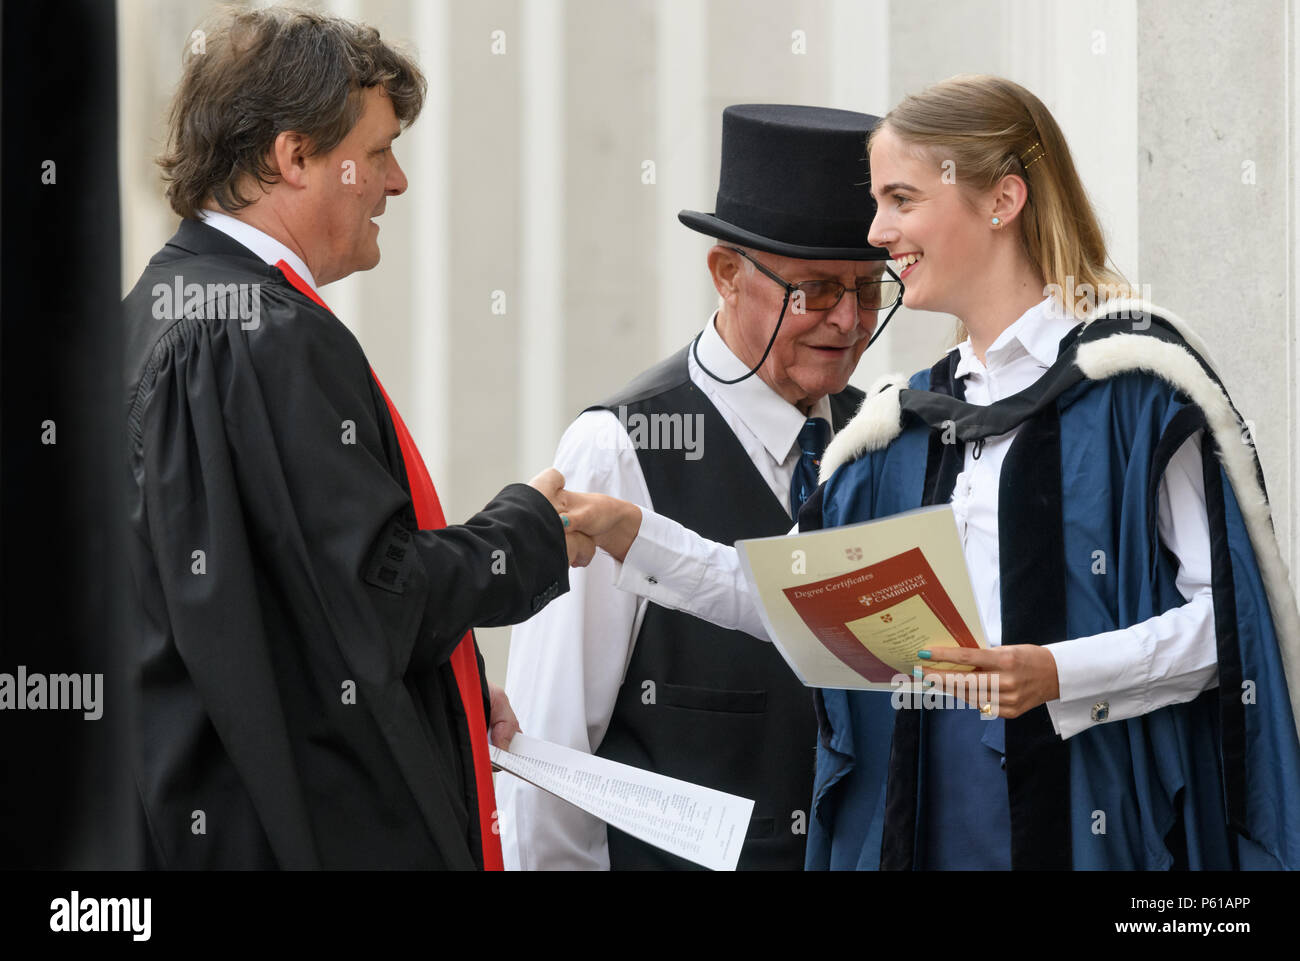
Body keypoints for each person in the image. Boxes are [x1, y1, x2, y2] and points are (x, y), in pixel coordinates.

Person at [564, 74, 1300, 869]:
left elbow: (1228, 626)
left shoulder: (1136, 389)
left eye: (901, 199)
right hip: (928, 817)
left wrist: (1057, 672)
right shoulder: (910, 419)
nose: (877, 231)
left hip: (1091, 818)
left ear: (1001, 201)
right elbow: (807, 607)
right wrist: (633, 536)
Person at [122, 6, 593, 870]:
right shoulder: (259, 334)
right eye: (376, 154)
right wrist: (524, 532)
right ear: (292, 156)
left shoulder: (162, 312)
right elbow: (374, 605)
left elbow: (277, 609)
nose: (398, 182)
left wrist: (441, 693)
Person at [498, 104, 902, 870]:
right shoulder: (616, 449)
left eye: (867, 288)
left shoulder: (877, 440)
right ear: (725, 273)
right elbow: (548, 758)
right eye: (815, 291)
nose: (848, 320)